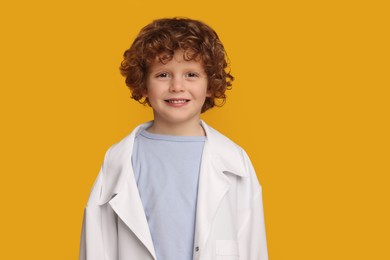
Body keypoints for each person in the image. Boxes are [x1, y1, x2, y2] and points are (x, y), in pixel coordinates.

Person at [79, 17, 268, 260]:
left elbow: (253, 246)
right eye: (163, 75)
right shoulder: (118, 160)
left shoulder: (235, 162)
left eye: (191, 74)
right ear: (143, 85)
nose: (177, 86)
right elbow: (96, 242)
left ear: (210, 84)